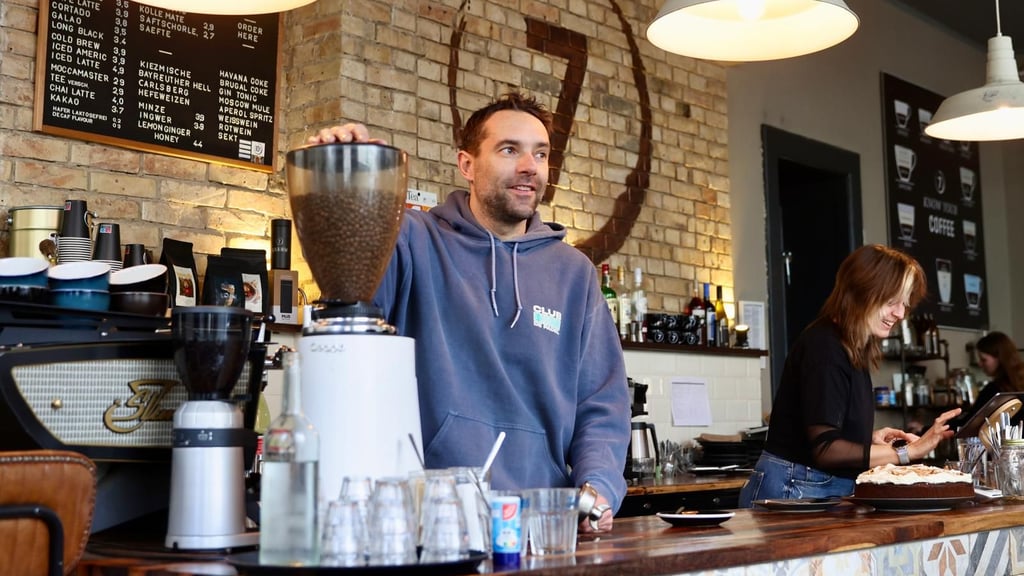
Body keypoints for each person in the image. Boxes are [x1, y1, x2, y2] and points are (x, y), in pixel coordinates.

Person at [308, 92, 630, 532]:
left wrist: (599, 487)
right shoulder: (413, 239)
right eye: (509, 150)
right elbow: (350, 291)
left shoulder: (575, 273)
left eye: (540, 154)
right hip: (430, 519)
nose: (529, 167)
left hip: (541, 522)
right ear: (467, 164)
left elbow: (601, 403)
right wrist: (338, 180)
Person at [738, 245, 961, 506]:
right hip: (792, 489)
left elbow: (824, 429)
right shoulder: (825, 347)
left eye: (905, 304)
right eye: (892, 301)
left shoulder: (850, 346)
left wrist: (866, 440)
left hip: (812, 487)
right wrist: (907, 452)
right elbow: (826, 449)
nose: (900, 314)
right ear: (862, 291)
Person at [952, 331, 1024, 428]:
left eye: (983, 359)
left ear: (999, 358)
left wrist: (942, 425)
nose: (980, 364)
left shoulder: (993, 390)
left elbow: (970, 424)